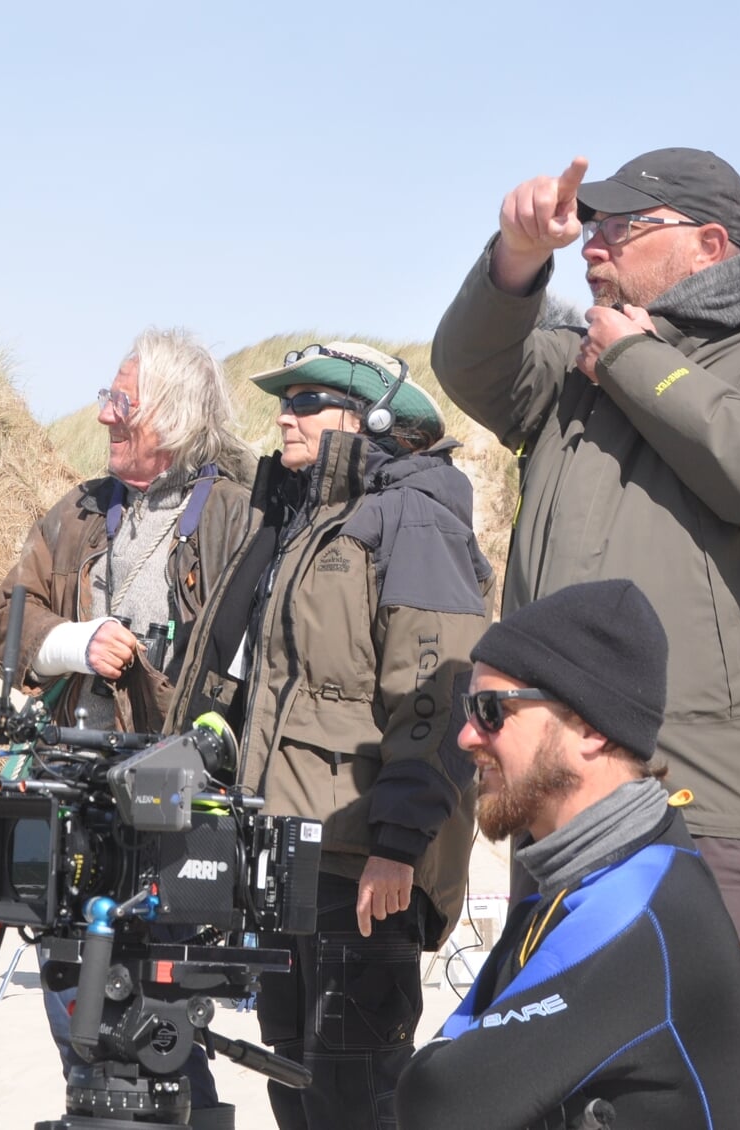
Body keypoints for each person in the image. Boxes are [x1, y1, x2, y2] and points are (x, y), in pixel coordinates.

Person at [429, 148, 740, 1130]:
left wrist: (634, 360)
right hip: (557, 793)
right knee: (551, 1088)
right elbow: (471, 365)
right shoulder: (571, 358)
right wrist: (513, 259)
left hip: (709, 798)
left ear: (709, 244)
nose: (599, 240)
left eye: (628, 225)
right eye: (597, 222)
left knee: (712, 1090)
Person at [171, 342, 492, 1130]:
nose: (287, 414)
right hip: (289, 849)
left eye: (310, 400)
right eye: (286, 400)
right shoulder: (301, 518)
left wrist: (400, 841)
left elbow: (438, 688)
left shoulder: (412, 517)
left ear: (373, 417)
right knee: (294, 1075)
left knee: (361, 1088)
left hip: (364, 859)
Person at [0, 327, 258, 1122]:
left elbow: (260, 663)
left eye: (122, 401)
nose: (104, 415)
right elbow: (9, 617)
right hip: (76, 797)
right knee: (73, 1003)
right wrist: (73, 643)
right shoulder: (76, 512)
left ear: (173, 417)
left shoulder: (239, 517)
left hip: (181, 805)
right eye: (107, 398)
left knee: (161, 1029)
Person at [396, 579, 740, 1130]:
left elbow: (436, 1100)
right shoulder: (567, 883)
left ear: (589, 728)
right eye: (470, 706)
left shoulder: (640, 908)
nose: (467, 735)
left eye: (491, 709)